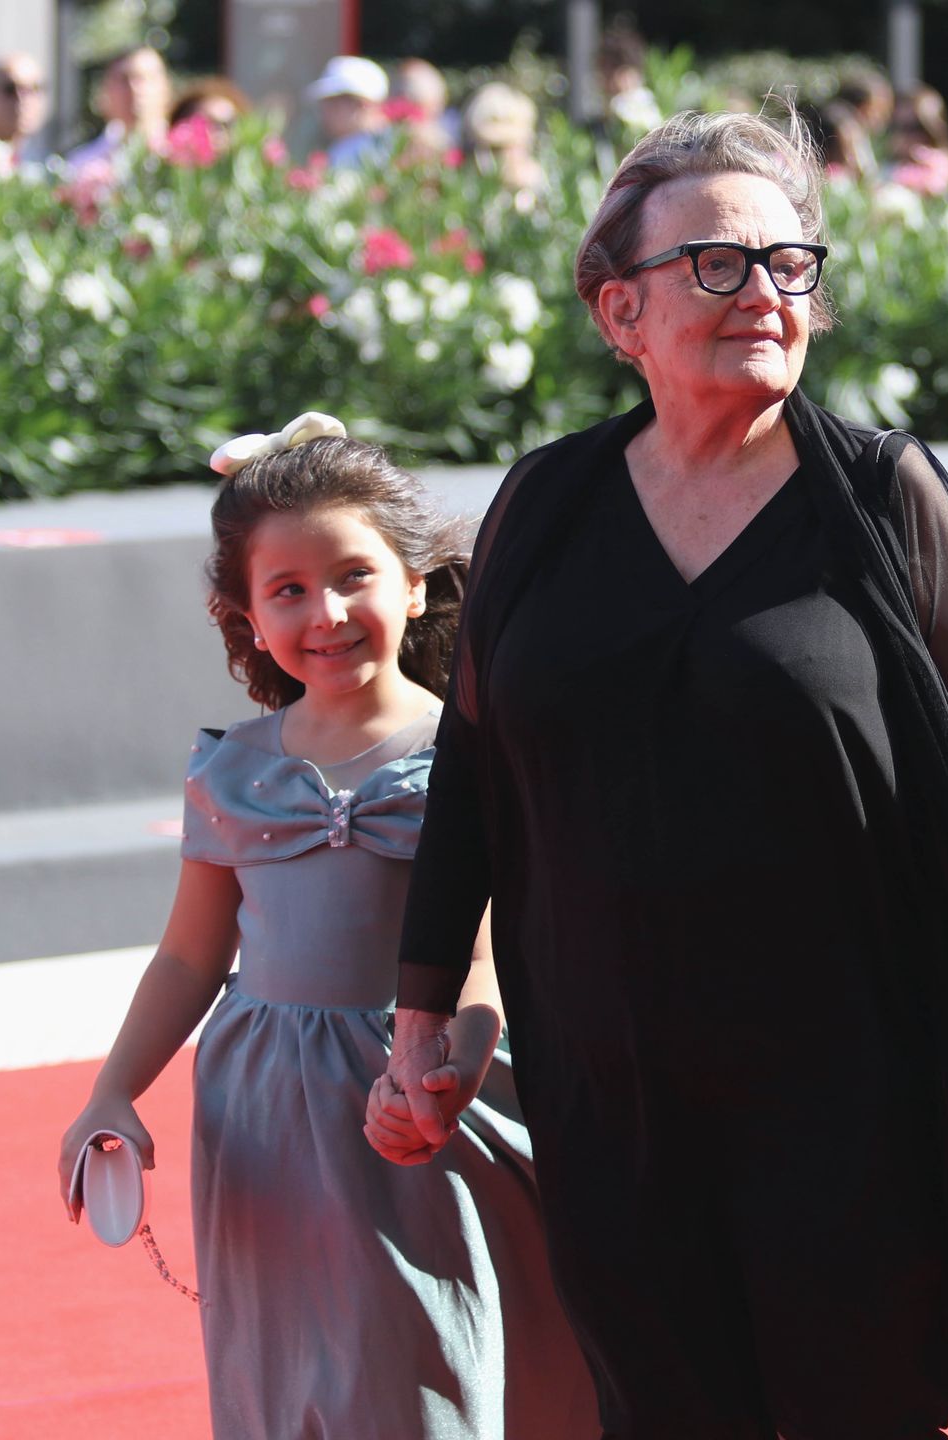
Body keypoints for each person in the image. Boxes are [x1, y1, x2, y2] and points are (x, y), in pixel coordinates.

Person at [371, 108, 948, 1438]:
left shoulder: (882, 495)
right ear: (622, 312)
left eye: (791, 265)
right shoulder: (545, 508)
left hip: (853, 1092)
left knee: (855, 1409)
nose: (766, 292)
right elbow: (474, 771)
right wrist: (422, 1013)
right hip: (608, 1084)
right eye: (719, 264)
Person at [55, 414, 596, 1439]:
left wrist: (447, 1066)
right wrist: (112, 1092)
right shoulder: (231, 770)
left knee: (435, 1364)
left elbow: (495, 952)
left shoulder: (475, 754)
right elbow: (188, 954)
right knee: (295, 1367)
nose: (326, 611)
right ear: (247, 618)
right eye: (288, 590)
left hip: (424, 1099)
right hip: (264, 1115)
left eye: (353, 576)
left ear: (417, 584)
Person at [65, 46, 169, 173]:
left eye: (144, 78)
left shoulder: (184, 156)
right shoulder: (81, 165)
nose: (134, 89)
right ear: (105, 91)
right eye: (124, 80)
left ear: (166, 88)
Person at [461, 82, 543, 200]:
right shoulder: (469, 182)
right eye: (495, 149)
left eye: (506, 146)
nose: (501, 156)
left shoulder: (534, 181)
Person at [304, 55, 388, 169]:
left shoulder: (354, 151)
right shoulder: (344, 147)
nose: (325, 110)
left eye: (333, 102)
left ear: (361, 104)